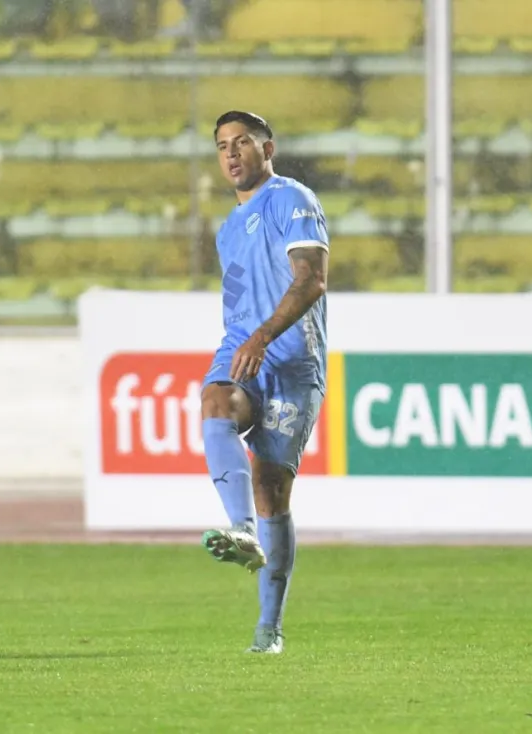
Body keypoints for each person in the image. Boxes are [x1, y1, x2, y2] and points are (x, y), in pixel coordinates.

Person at [200, 111, 329, 655]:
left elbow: (312, 280)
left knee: (272, 485)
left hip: (293, 361)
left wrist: (263, 337)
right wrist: (244, 342)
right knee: (215, 401)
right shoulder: (227, 230)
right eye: (222, 146)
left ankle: (269, 628)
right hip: (242, 350)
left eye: (242, 142)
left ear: (267, 148)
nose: (231, 154)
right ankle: (241, 531)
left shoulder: (291, 199)